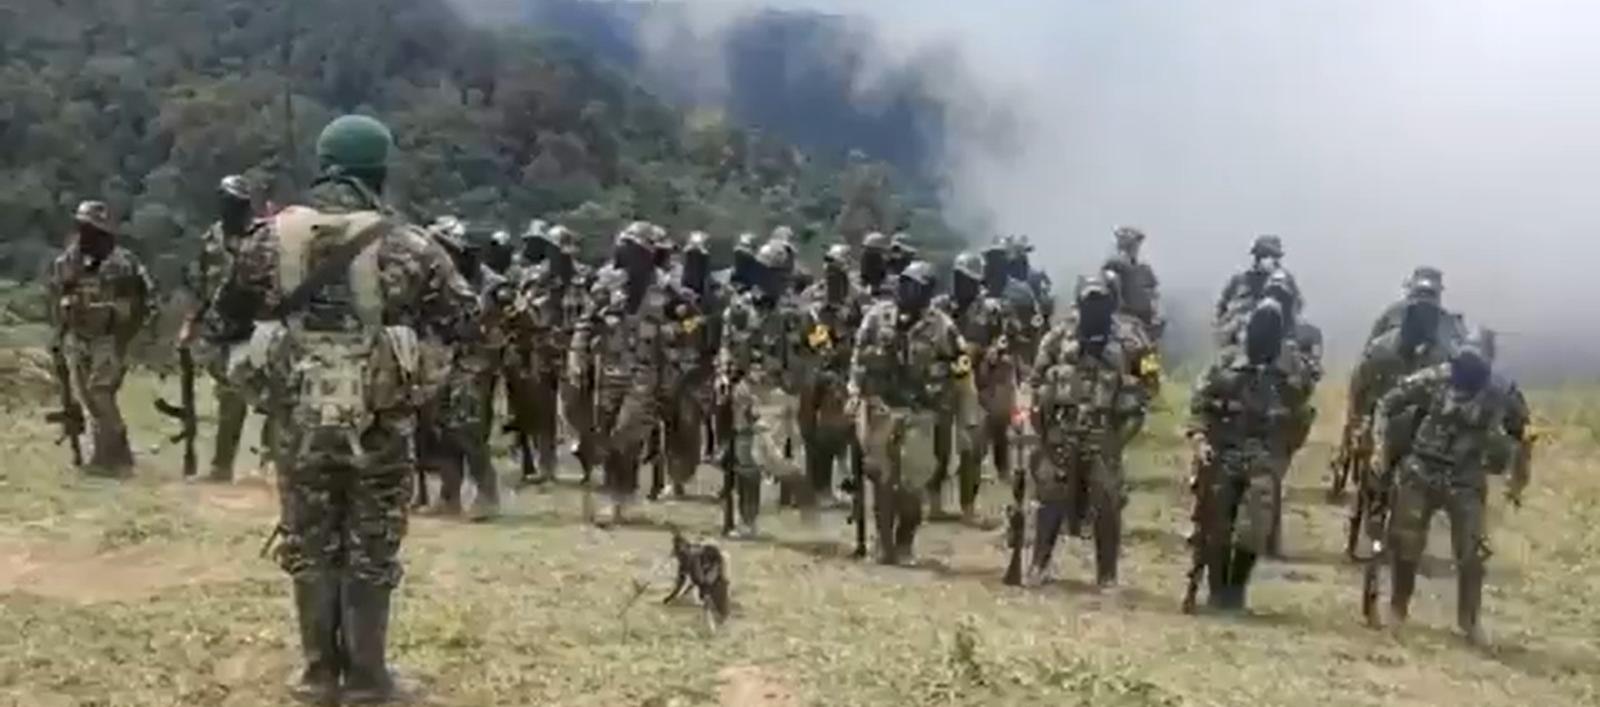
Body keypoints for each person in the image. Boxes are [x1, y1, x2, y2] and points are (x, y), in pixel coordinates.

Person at [214, 114, 466, 704]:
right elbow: (466, 325)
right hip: (379, 425)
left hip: (297, 425)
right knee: (370, 545)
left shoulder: (267, 241)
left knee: (310, 541)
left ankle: (317, 674)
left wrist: (264, 386)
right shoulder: (409, 245)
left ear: (325, 167)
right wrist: (411, 381)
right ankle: (369, 679)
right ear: (379, 172)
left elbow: (221, 326)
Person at [1373, 332, 1531, 644]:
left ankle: (1468, 620)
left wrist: (1518, 479)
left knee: (1471, 553)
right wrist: (1380, 446)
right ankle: (1398, 607)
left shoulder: (1501, 393)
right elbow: (1388, 403)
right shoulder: (1435, 378)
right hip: (1421, 468)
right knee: (1406, 542)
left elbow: (1524, 434)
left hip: (1465, 478)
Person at [1186, 300, 1312, 612]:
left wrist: (1283, 453)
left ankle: (1236, 588)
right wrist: (1201, 440)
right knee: (1215, 526)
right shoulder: (1227, 362)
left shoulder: (1292, 368)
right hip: (1224, 451)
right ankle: (1216, 591)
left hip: (1265, 457)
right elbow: (1200, 404)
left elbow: (1303, 414)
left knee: (1253, 527)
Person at [851, 260, 977, 565]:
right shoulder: (877, 317)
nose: (906, 290)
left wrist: (966, 419)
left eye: (914, 286)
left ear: (928, 292)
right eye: (904, 283)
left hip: (922, 414)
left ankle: (905, 541)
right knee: (882, 479)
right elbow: (858, 357)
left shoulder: (943, 327)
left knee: (912, 485)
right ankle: (883, 544)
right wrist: (854, 393)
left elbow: (962, 371)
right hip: (881, 409)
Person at [1027, 275, 1142, 588]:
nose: (1095, 308)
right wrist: (1041, 426)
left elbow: (1144, 387)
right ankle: (1039, 564)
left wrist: (1119, 440)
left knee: (1106, 500)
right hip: (1061, 430)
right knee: (1050, 496)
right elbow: (1036, 381)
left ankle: (1107, 575)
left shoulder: (1130, 342)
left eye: (1101, 302)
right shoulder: (1058, 337)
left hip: (1103, 432)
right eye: (1089, 301)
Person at [567, 226, 672, 526]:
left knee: (625, 436)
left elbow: (685, 330)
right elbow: (585, 323)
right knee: (607, 438)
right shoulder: (607, 282)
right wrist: (577, 355)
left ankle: (620, 498)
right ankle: (618, 498)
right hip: (609, 372)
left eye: (632, 250)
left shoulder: (667, 289)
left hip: (645, 375)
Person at [47, 200, 154, 476]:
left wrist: (128, 333)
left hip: (111, 338)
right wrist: (59, 333)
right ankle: (116, 454)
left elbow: (144, 302)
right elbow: (57, 298)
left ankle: (110, 460)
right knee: (89, 397)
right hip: (79, 336)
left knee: (100, 392)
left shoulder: (124, 263)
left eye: (91, 229)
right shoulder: (67, 262)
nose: (85, 234)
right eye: (82, 227)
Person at [719, 241, 809, 537]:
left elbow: (816, 351)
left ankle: (798, 482)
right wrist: (723, 374)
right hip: (744, 387)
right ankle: (748, 522)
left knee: (766, 456)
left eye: (776, 274)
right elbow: (726, 345)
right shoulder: (739, 307)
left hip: (778, 392)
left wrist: (795, 381)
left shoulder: (797, 313)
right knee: (744, 460)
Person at [183, 175, 262, 482]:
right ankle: (222, 465)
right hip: (218, 329)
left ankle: (265, 461)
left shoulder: (261, 236)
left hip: (253, 329)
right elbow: (201, 283)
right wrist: (191, 322)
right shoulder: (212, 237)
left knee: (260, 395)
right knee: (228, 395)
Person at [930, 251, 1013, 521]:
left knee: (971, 449)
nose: (960, 283)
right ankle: (934, 504)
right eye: (957, 277)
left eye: (966, 279)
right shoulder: (939, 307)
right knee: (937, 447)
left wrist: (993, 352)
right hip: (940, 385)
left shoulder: (991, 310)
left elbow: (1005, 340)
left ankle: (968, 506)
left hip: (974, 387)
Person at [510, 223, 589, 486]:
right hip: (541, 348)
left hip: (573, 350)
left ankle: (583, 462)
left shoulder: (584, 277)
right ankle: (546, 466)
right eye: (557, 251)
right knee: (542, 412)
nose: (562, 257)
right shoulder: (535, 276)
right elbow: (522, 310)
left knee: (575, 408)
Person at [797, 243, 864, 507]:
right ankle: (813, 488)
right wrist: (817, 340)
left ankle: (835, 486)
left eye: (837, 268)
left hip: (843, 374)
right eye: (828, 267)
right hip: (812, 370)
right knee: (808, 433)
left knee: (834, 433)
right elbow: (802, 326)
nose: (831, 273)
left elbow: (865, 332)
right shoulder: (811, 296)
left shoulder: (859, 298)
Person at [1214, 235, 1301, 341]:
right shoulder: (1240, 279)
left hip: (1278, 338)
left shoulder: (1285, 280)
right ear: (1257, 257)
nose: (1268, 260)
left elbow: (1297, 306)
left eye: (1273, 256)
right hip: (1243, 338)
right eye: (1264, 255)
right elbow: (1222, 306)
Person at [1367, 266, 1469, 345]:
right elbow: (1369, 352)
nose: (1424, 298)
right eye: (1422, 292)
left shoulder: (1446, 320)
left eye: (1429, 293)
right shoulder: (1393, 312)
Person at [1101, 226, 1163, 344]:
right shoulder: (1114, 266)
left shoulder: (1144, 269)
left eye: (1137, 245)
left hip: (1145, 323)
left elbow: (1154, 294)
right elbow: (1111, 287)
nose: (1137, 248)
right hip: (1123, 320)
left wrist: (1155, 314)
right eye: (1134, 244)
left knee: (1150, 355)